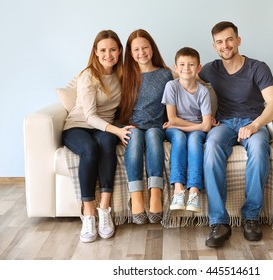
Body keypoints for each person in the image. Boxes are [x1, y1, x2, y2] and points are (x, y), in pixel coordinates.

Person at [199, 21, 273, 247]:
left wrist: (255, 126)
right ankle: (219, 222)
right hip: (225, 124)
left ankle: (251, 217)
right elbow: (184, 76)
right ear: (214, 45)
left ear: (238, 40)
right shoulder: (210, 69)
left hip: (252, 122)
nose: (225, 45)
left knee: (258, 148)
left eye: (229, 39)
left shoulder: (258, 67)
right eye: (219, 42)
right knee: (212, 146)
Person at [63, 30, 132, 243]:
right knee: (90, 149)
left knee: (106, 145)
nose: (108, 54)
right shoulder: (89, 75)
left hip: (105, 128)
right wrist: (118, 131)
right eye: (103, 50)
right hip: (78, 126)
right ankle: (89, 213)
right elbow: (90, 117)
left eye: (112, 49)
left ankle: (105, 209)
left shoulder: (123, 75)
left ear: (119, 51)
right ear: (95, 51)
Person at [119, 29, 173, 225]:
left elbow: (184, 84)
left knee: (151, 137)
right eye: (136, 49)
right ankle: (136, 196)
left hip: (156, 126)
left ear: (152, 48)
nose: (141, 53)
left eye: (145, 47)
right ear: (130, 53)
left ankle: (156, 192)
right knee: (133, 140)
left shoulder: (165, 74)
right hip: (132, 125)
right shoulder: (125, 75)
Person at [162, 47, 213, 213]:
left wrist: (180, 125)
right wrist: (178, 125)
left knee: (194, 141)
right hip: (176, 130)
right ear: (175, 67)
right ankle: (178, 190)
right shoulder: (171, 86)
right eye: (182, 64)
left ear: (199, 68)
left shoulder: (203, 92)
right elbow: (172, 119)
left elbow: (206, 127)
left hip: (195, 130)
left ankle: (194, 191)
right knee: (180, 138)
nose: (186, 68)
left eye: (191, 64)